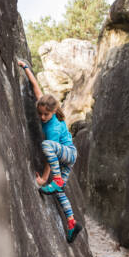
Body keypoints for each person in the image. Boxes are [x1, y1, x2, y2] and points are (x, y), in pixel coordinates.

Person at [18, 60, 82, 243]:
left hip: (68, 153)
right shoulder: (44, 105)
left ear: (54, 111)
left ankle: (57, 181)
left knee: (46, 146)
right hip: (65, 158)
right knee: (59, 192)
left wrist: (46, 179)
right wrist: (25, 67)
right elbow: (36, 86)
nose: (42, 117)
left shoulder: (54, 128)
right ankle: (71, 224)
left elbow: (49, 158)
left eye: (45, 114)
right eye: (40, 113)